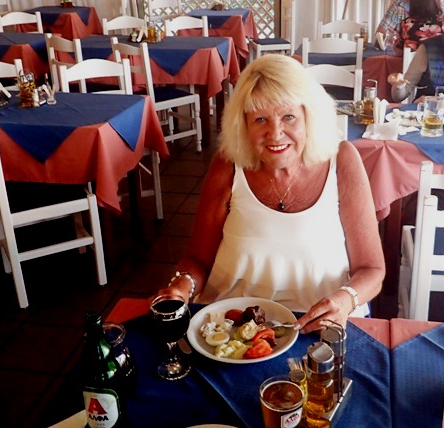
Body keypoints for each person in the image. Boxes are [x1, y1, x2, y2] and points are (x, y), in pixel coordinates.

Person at [157, 54, 385, 334]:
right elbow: (197, 260)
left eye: (288, 117)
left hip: (317, 328)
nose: (275, 134)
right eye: (260, 119)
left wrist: (345, 300)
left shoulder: (342, 160)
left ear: (309, 117)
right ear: (243, 125)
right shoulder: (228, 165)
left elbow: (372, 269)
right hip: (231, 331)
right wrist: (182, 286)